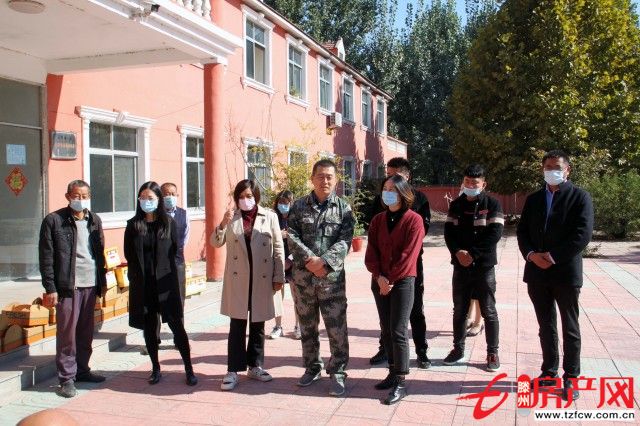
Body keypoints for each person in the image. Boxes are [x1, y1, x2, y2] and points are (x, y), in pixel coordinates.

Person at [516, 150, 594, 401]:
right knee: (546, 325)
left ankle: (571, 377)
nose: (552, 171)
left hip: (565, 272)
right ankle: (549, 372)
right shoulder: (534, 199)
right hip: (537, 272)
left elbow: (582, 235)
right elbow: (522, 231)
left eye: (557, 167)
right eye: (548, 167)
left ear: (567, 169)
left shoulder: (580, 197)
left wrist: (551, 256)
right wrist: (531, 255)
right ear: (542, 169)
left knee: (570, 326)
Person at [287, 159, 354, 397]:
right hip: (303, 280)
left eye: (329, 177)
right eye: (320, 176)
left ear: (336, 180)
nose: (324, 181)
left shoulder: (344, 209)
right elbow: (291, 236)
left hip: (331, 280)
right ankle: (312, 367)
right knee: (307, 327)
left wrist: (323, 262)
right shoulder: (298, 206)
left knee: (337, 328)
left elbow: (345, 240)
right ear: (312, 178)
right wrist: (310, 261)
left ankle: (338, 372)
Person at [210, 179, 285, 391]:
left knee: (258, 324)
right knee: (237, 325)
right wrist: (222, 224)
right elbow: (215, 242)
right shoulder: (232, 217)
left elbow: (278, 248)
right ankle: (233, 370)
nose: (245, 200)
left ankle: (255, 366)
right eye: (241, 196)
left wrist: (278, 276)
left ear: (256, 196)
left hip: (262, 278)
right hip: (239, 279)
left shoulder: (269, 216)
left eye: (249, 196)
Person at [124, 181, 197, 387]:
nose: (146, 201)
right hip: (144, 285)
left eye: (150, 198)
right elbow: (129, 255)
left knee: (177, 326)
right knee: (149, 328)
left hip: (166, 284)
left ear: (158, 200)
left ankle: (189, 368)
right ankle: (155, 368)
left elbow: (175, 251)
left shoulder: (169, 223)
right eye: (142, 198)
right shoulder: (133, 225)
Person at [39, 180, 107, 398]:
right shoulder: (54, 220)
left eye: (84, 196)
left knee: (86, 332)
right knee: (67, 333)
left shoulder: (94, 220)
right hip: (67, 287)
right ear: (68, 196)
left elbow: (100, 252)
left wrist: (102, 283)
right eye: (76, 196)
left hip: (91, 283)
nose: (80, 200)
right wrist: (50, 287)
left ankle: (83, 370)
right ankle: (66, 378)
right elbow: (46, 257)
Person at [365, 157, 432, 369]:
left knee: (413, 312)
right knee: (387, 322)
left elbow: (415, 241)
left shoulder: (419, 203)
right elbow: (372, 243)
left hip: (408, 268)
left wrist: (391, 278)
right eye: (387, 178)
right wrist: (379, 276)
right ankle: (386, 351)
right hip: (381, 273)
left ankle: (421, 351)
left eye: (396, 178)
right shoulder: (379, 211)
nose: (390, 184)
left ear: (406, 178)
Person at [443, 164, 504, 372]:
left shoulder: (492, 204)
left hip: (483, 267)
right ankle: (458, 349)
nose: (470, 185)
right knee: (459, 310)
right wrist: (457, 252)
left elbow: (495, 234)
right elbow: (449, 233)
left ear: (483, 184)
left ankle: (492, 352)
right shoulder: (456, 205)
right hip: (460, 266)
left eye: (475, 182)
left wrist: (473, 254)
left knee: (489, 310)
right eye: (467, 181)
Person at [268, 190, 301, 340]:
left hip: (294, 262)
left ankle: (298, 326)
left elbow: (302, 243)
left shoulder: (297, 219)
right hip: (277, 262)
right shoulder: (274, 218)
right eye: (280, 202)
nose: (283, 205)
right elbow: (266, 238)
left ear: (291, 203)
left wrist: (290, 259)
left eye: (286, 203)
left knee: (297, 296)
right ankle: (278, 326)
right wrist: (278, 235)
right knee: (277, 296)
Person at [161, 182, 190, 306]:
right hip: (160, 263)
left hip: (178, 261)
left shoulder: (184, 214)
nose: (170, 197)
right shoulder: (155, 215)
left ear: (177, 195)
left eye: (173, 194)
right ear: (161, 196)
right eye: (166, 194)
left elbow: (185, 237)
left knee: (178, 297)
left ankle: (179, 317)